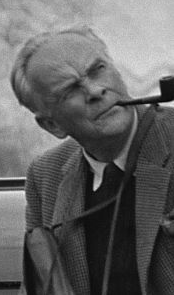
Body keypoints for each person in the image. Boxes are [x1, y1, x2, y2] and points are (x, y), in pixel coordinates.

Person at [10, 26, 174, 294]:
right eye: (70, 89)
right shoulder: (46, 176)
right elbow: (39, 287)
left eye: (98, 69)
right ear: (52, 125)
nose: (95, 91)